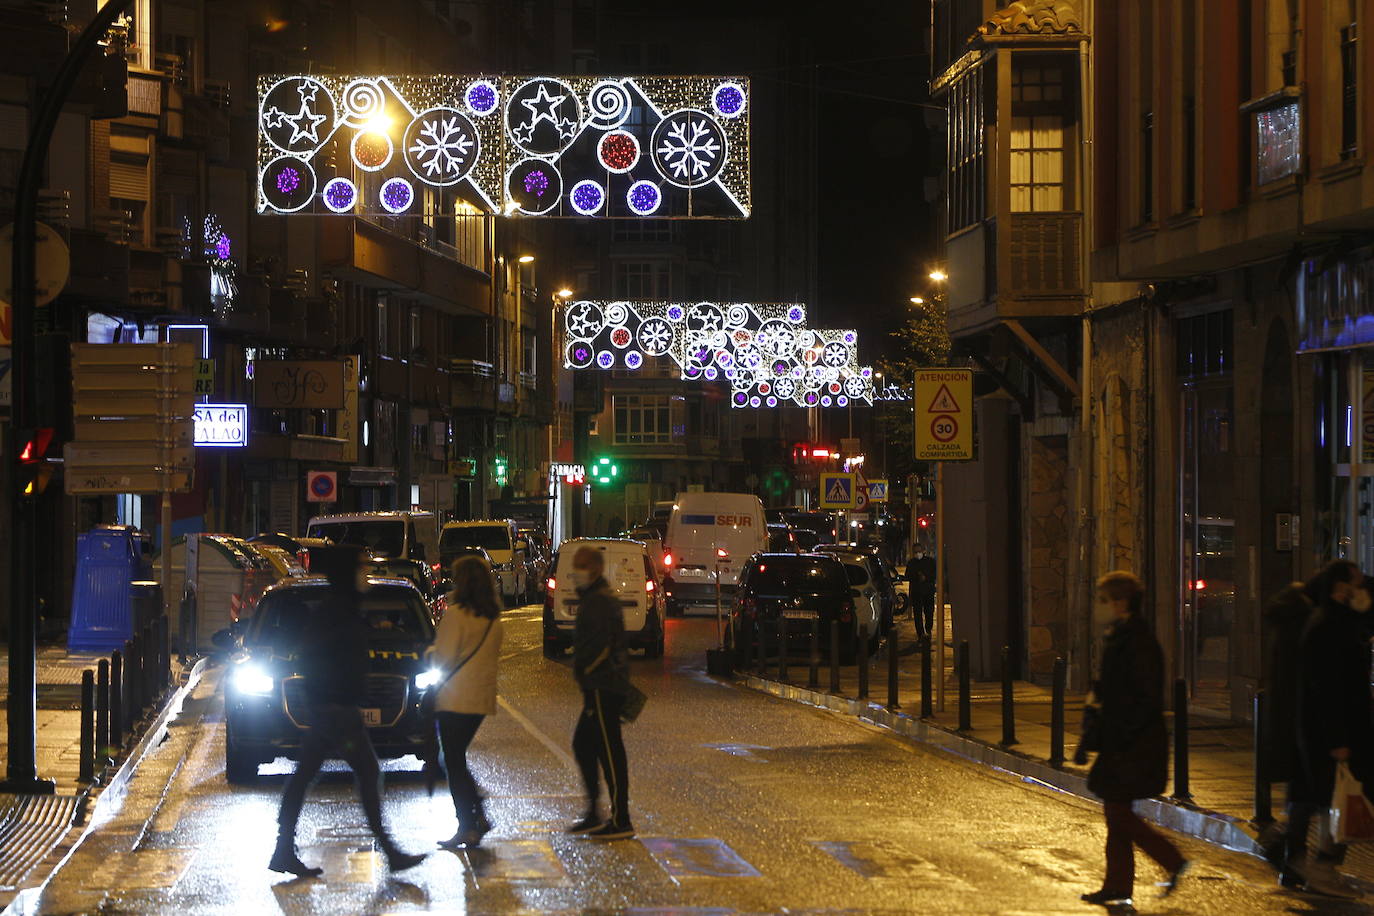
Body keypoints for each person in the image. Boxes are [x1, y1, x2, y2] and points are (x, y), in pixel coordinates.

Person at [270, 545, 425, 878]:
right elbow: (319, 658)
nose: (364, 575)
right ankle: (389, 850)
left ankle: (283, 848)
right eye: (360, 569)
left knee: (307, 775)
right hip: (336, 710)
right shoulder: (336, 610)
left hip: (333, 708)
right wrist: (336, 697)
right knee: (366, 773)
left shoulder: (343, 607)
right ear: (346, 574)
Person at [1078, 571, 1189, 906]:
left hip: (1133, 742)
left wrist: (1120, 733)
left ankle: (1171, 859)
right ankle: (1117, 886)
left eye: (1104, 600)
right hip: (1123, 739)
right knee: (1116, 812)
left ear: (1121, 602)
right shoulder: (1122, 635)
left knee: (1117, 813)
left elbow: (1144, 696)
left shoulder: (1138, 641)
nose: (1100, 608)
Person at [1285, 560, 1373, 890]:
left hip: (1325, 728)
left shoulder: (1335, 621)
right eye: (1358, 583)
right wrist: (1338, 737)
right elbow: (1328, 687)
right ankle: (1322, 867)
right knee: (1337, 799)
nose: (1362, 590)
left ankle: (1294, 863)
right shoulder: (1327, 626)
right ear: (1341, 586)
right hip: (1333, 730)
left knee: (1315, 796)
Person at [428, 555, 504, 850]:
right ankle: (476, 816)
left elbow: (443, 658)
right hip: (480, 700)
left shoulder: (457, 614)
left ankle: (468, 823)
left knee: (453, 761)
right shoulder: (492, 618)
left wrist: (427, 654)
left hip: (454, 698)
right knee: (456, 759)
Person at [567, 545, 635, 840]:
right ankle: (595, 812)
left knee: (610, 752)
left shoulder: (599, 601)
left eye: (580, 566)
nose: (575, 573)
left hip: (603, 685)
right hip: (600, 684)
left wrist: (585, 670)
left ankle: (621, 820)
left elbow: (602, 645)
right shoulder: (595, 598)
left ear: (594, 569)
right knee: (584, 744)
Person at [905, 550, 936, 638]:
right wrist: (916, 576)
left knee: (929, 613)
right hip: (916, 592)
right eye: (916, 551)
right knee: (917, 615)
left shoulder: (930, 561)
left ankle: (928, 630)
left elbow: (934, 575)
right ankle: (920, 634)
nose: (917, 553)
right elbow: (907, 576)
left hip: (928, 591)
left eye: (919, 551)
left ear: (923, 551)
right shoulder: (911, 563)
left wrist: (925, 577)